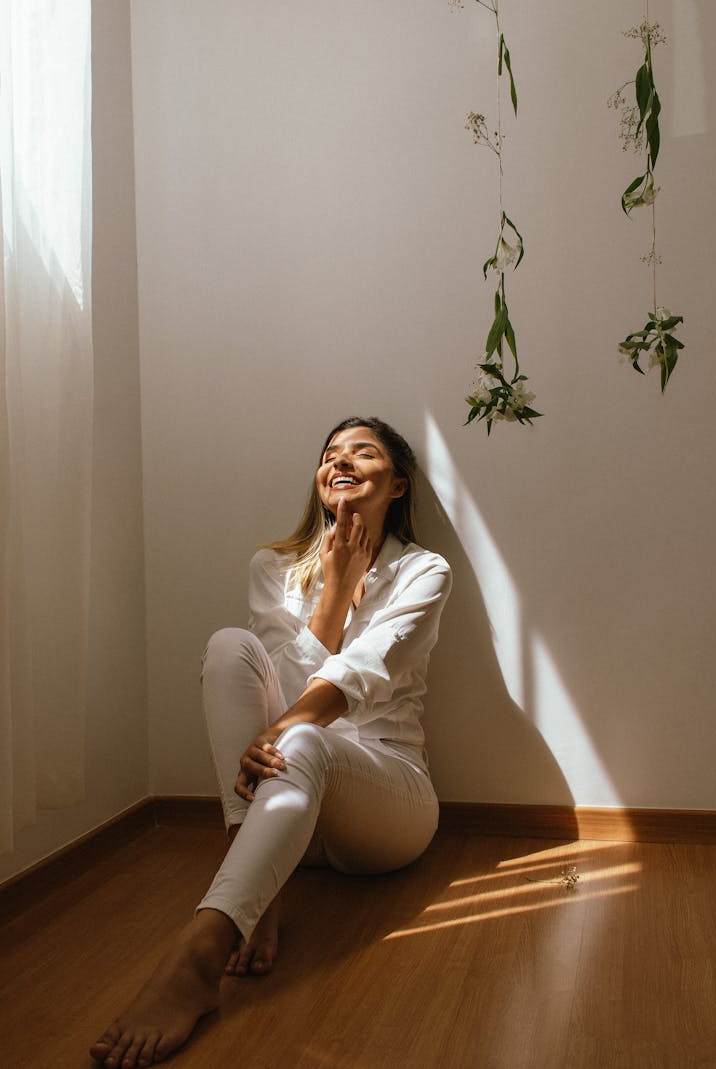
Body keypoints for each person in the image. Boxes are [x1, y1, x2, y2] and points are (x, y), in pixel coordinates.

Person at [90, 416, 452, 1069]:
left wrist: (290, 724)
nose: (341, 460)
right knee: (231, 645)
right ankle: (256, 883)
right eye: (330, 454)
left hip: (386, 801)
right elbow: (280, 690)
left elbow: (357, 677)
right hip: (285, 804)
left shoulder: (425, 570)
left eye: (362, 452)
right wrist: (332, 592)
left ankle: (201, 952)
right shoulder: (274, 567)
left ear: (397, 483)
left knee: (306, 737)